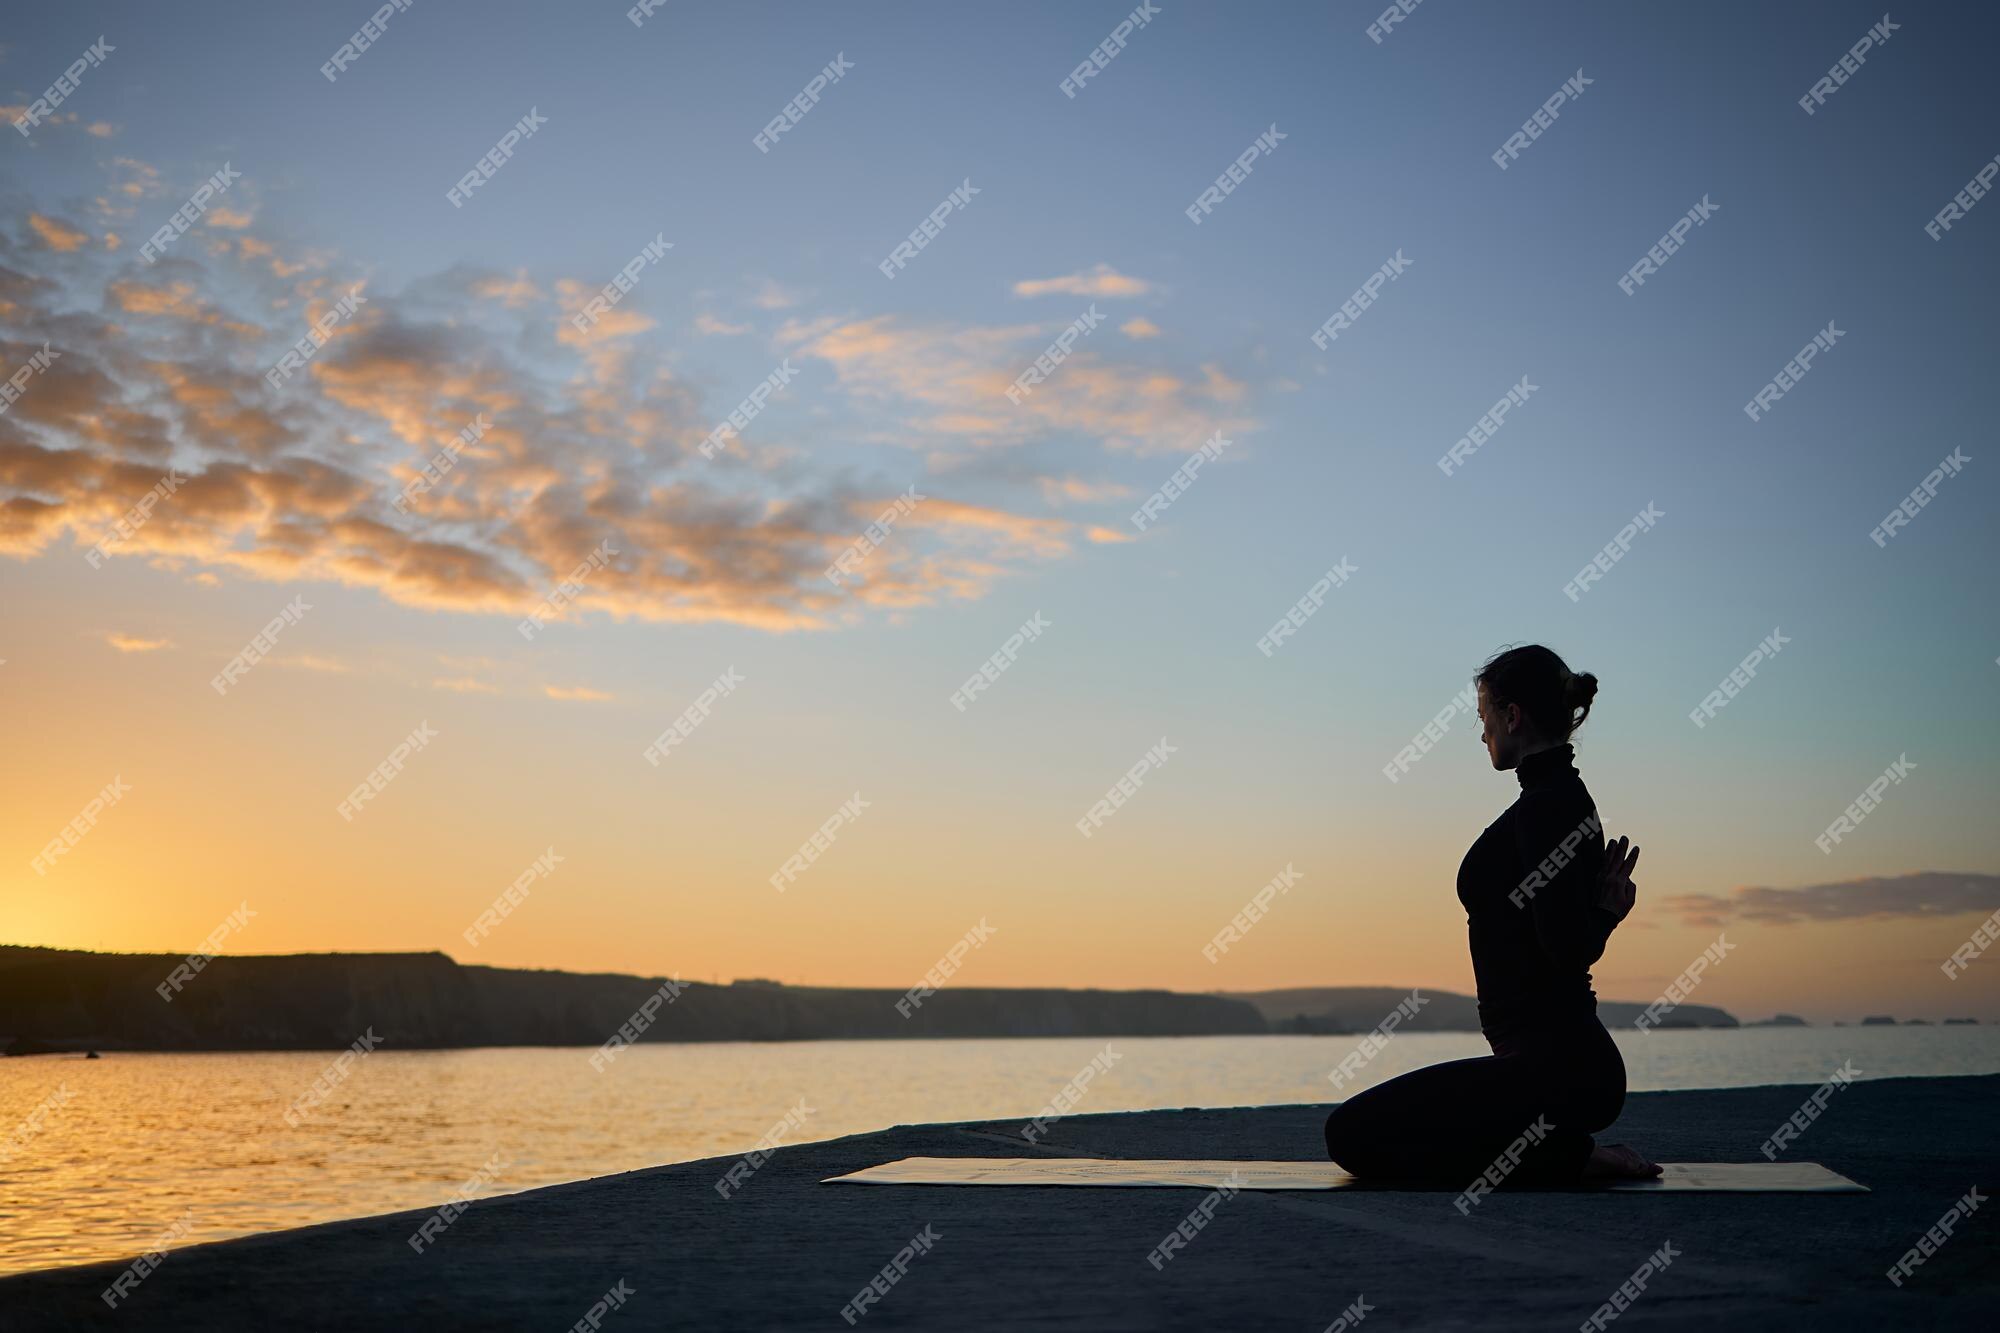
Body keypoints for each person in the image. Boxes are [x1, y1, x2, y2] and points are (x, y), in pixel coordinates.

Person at [1323, 644, 1660, 1185]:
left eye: (1483, 717)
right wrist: (1602, 914)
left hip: (1562, 1067)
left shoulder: (1550, 808)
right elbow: (1565, 933)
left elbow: (1568, 949)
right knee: (1384, 1134)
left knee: (1351, 1135)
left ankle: (1578, 1157)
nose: (1481, 733)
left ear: (1512, 716)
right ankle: (1565, 1151)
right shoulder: (1555, 802)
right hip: (1551, 1064)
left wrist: (1604, 915)